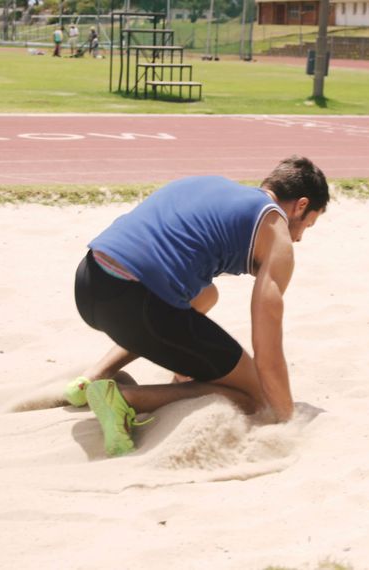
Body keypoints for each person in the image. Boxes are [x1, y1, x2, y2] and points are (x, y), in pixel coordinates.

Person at [69, 156, 329, 457]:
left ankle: (93, 376)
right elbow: (267, 351)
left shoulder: (212, 186)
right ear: (300, 205)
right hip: (135, 304)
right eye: (307, 225)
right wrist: (286, 419)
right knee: (253, 395)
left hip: (89, 283)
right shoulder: (277, 232)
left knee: (207, 296)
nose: (298, 238)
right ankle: (125, 398)